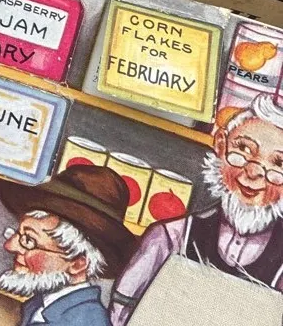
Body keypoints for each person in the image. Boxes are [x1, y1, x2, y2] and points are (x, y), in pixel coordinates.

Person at [110, 93, 283, 324]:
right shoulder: (171, 237)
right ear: (221, 145)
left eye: (278, 163)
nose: (254, 172)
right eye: (243, 149)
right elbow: (120, 311)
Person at [0, 164, 137, 326]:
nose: (10, 245)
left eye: (28, 240)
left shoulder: (86, 321)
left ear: (77, 263)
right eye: (15, 233)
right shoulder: (40, 304)